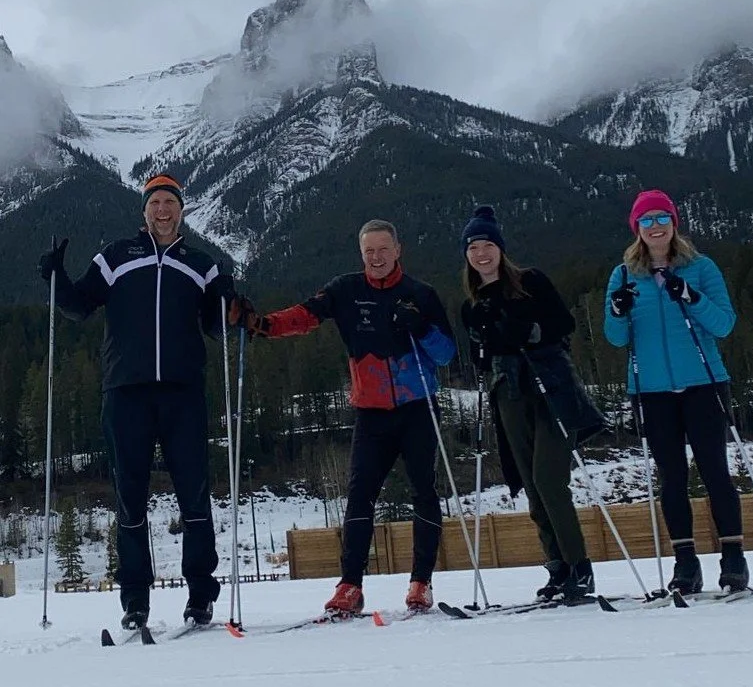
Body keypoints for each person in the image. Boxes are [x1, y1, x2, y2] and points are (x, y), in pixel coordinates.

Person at [38, 173, 238, 630]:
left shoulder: (201, 263)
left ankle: (201, 596)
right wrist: (56, 277)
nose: (162, 210)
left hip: (183, 393)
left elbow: (216, 326)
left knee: (194, 496)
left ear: (181, 209)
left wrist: (226, 299)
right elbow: (77, 306)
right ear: (143, 211)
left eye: (170, 202)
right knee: (130, 498)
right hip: (125, 392)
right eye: (155, 203)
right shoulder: (114, 258)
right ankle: (135, 600)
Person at [241, 219, 455, 613]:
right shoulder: (346, 289)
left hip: (417, 408)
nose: (376, 258)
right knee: (359, 497)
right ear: (361, 254)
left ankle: (421, 583)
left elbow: (445, 353)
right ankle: (349, 586)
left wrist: (421, 326)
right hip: (371, 413)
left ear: (397, 249)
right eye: (368, 251)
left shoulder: (421, 294)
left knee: (424, 493)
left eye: (382, 249)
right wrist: (263, 325)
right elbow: (305, 315)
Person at [603, 189, 746, 593]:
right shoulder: (623, 273)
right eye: (645, 220)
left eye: (661, 217)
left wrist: (691, 296)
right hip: (651, 390)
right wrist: (618, 310)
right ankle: (685, 563)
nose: (654, 226)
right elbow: (615, 338)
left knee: (716, 471)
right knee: (672, 478)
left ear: (674, 222)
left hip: (703, 382)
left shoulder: (700, 267)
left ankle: (733, 557)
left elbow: (724, 324)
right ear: (636, 229)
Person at [460, 205, 605, 601]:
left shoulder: (530, 282)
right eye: (473, 247)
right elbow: (480, 355)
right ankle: (557, 566)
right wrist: (483, 350)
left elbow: (564, 324)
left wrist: (529, 331)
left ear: (501, 248)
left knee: (548, 479)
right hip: (508, 393)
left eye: (487, 244)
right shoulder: (471, 306)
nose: (481, 253)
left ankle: (579, 567)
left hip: (550, 388)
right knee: (532, 484)